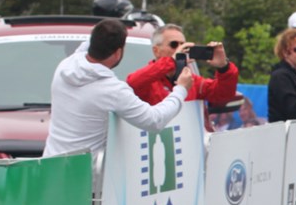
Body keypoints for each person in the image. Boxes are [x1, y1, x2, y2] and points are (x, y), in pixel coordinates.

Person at [43, 19, 194, 156]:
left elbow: (91, 42)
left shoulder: (66, 65)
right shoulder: (112, 90)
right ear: (118, 53)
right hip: (82, 173)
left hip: (50, 165)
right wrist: (181, 89)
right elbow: (155, 120)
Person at [126, 24, 240, 122]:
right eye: (174, 45)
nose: (180, 49)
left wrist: (224, 67)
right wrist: (172, 61)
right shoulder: (148, 82)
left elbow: (223, 95)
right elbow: (133, 83)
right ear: (156, 51)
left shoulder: (192, 81)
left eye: (183, 45)